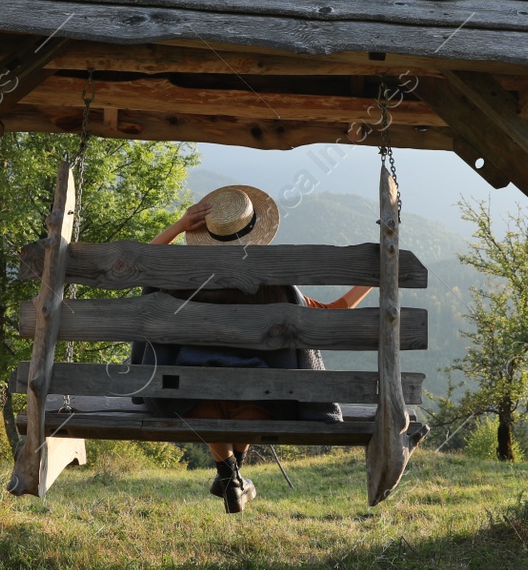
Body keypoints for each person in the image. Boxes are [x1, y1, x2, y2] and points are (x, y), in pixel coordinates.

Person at [139, 184, 371, 513]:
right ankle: (234, 480)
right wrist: (376, 275)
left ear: (206, 233)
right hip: (259, 402)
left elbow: (141, 267)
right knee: (249, 396)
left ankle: (229, 478)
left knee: (208, 396)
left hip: (189, 400)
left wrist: (178, 225)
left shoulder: (183, 279)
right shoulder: (278, 287)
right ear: (258, 234)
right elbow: (337, 311)